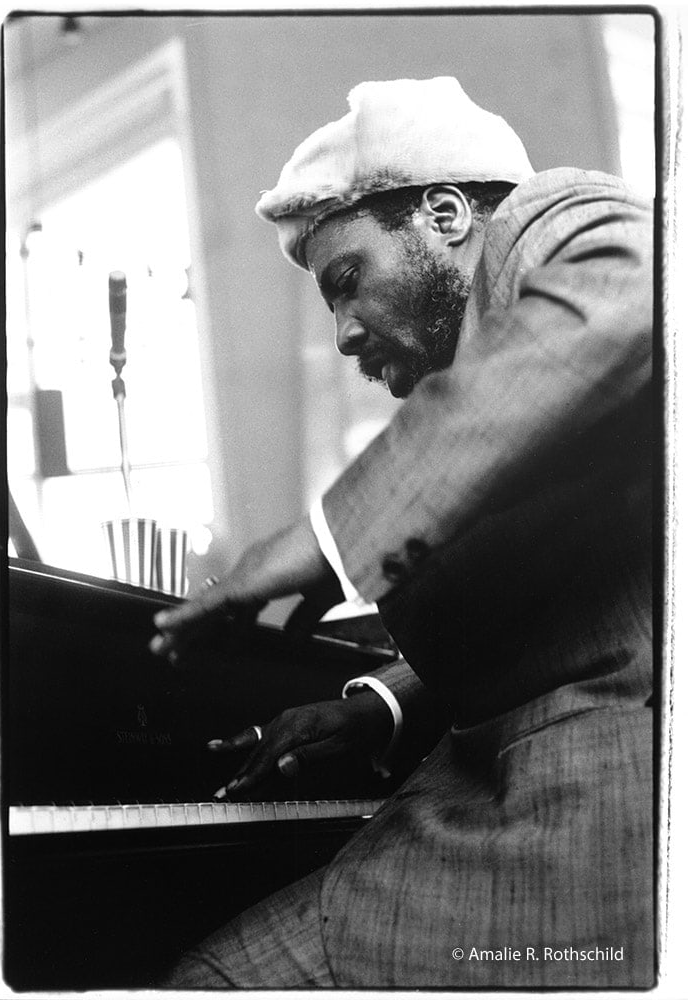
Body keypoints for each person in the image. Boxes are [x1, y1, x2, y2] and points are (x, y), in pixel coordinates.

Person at [150, 77, 654, 988]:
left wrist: (329, 536)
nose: (344, 336)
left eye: (348, 281)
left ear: (447, 213)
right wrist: (380, 704)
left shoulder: (552, 220)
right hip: (500, 794)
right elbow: (581, 600)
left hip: (591, 814)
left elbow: (639, 297)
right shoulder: (503, 394)